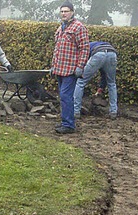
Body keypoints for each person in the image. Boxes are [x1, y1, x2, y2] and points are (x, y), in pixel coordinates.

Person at [50, 0, 89, 134]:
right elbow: (57, 49)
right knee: (63, 96)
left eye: (66, 11)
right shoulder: (61, 28)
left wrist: (80, 66)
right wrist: (53, 66)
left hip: (70, 70)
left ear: (72, 12)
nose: (63, 13)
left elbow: (84, 48)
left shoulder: (79, 27)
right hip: (60, 69)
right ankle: (65, 122)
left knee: (66, 96)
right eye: (61, 11)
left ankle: (69, 125)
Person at [73, 41, 118, 119]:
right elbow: (104, 73)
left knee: (81, 82)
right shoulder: (98, 44)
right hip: (112, 54)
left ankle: (75, 111)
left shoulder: (85, 48)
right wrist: (101, 88)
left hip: (98, 54)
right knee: (112, 83)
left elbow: (82, 65)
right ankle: (113, 112)